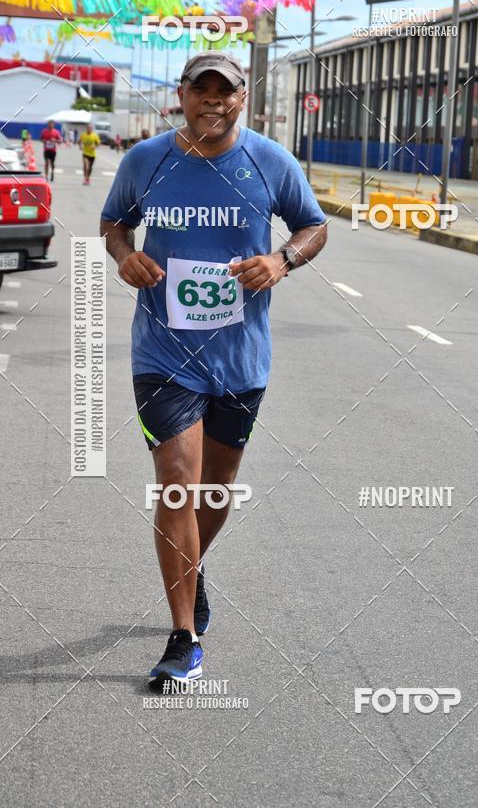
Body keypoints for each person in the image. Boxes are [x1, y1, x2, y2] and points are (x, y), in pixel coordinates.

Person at [100, 52, 327, 686]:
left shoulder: (269, 161)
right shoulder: (147, 160)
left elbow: (314, 226)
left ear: (241, 98)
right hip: (163, 354)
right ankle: (183, 636)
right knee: (177, 480)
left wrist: (282, 260)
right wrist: (125, 256)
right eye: (201, 91)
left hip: (240, 357)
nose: (213, 101)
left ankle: (191, 569)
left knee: (216, 491)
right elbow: (114, 223)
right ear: (181, 96)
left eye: (224, 92)